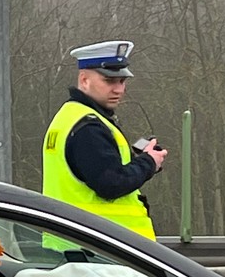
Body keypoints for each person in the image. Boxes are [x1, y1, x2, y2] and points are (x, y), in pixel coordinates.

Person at [40, 40, 165, 241]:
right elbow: (111, 184)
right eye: (109, 81)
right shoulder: (88, 126)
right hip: (97, 250)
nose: (119, 89)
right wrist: (148, 163)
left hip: (78, 244)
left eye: (122, 81)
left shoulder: (71, 116)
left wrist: (140, 160)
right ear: (84, 80)